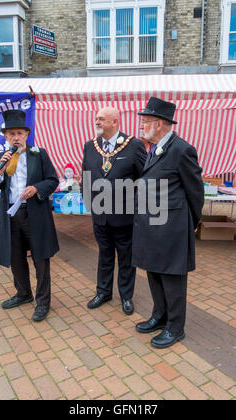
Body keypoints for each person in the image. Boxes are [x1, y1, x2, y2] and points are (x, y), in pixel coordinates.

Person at [132, 97, 204, 348]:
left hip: (172, 228)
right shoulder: (155, 148)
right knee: (154, 273)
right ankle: (159, 317)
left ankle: (176, 328)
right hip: (153, 227)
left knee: (172, 279)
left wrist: (190, 222)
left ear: (160, 123)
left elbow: (195, 192)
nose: (141, 125)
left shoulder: (182, 149)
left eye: (145, 121)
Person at [0, 110, 59, 322]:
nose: (15, 137)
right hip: (11, 215)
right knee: (15, 257)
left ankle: (43, 302)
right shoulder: (2, 158)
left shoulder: (39, 154)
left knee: (40, 259)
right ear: (5, 137)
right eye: (11, 134)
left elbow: (52, 180)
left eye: (19, 133)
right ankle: (23, 294)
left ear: (26, 134)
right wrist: (0, 171)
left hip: (34, 213)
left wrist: (36, 188)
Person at [82, 107, 147, 315]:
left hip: (125, 216)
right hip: (100, 215)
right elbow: (86, 177)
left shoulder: (134, 145)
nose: (97, 122)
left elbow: (144, 179)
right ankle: (103, 292)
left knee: (126, 257)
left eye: (101, 119)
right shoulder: (90, 146)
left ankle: (126, 296)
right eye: (96, 119)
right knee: (104, 255)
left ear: (115, 122)